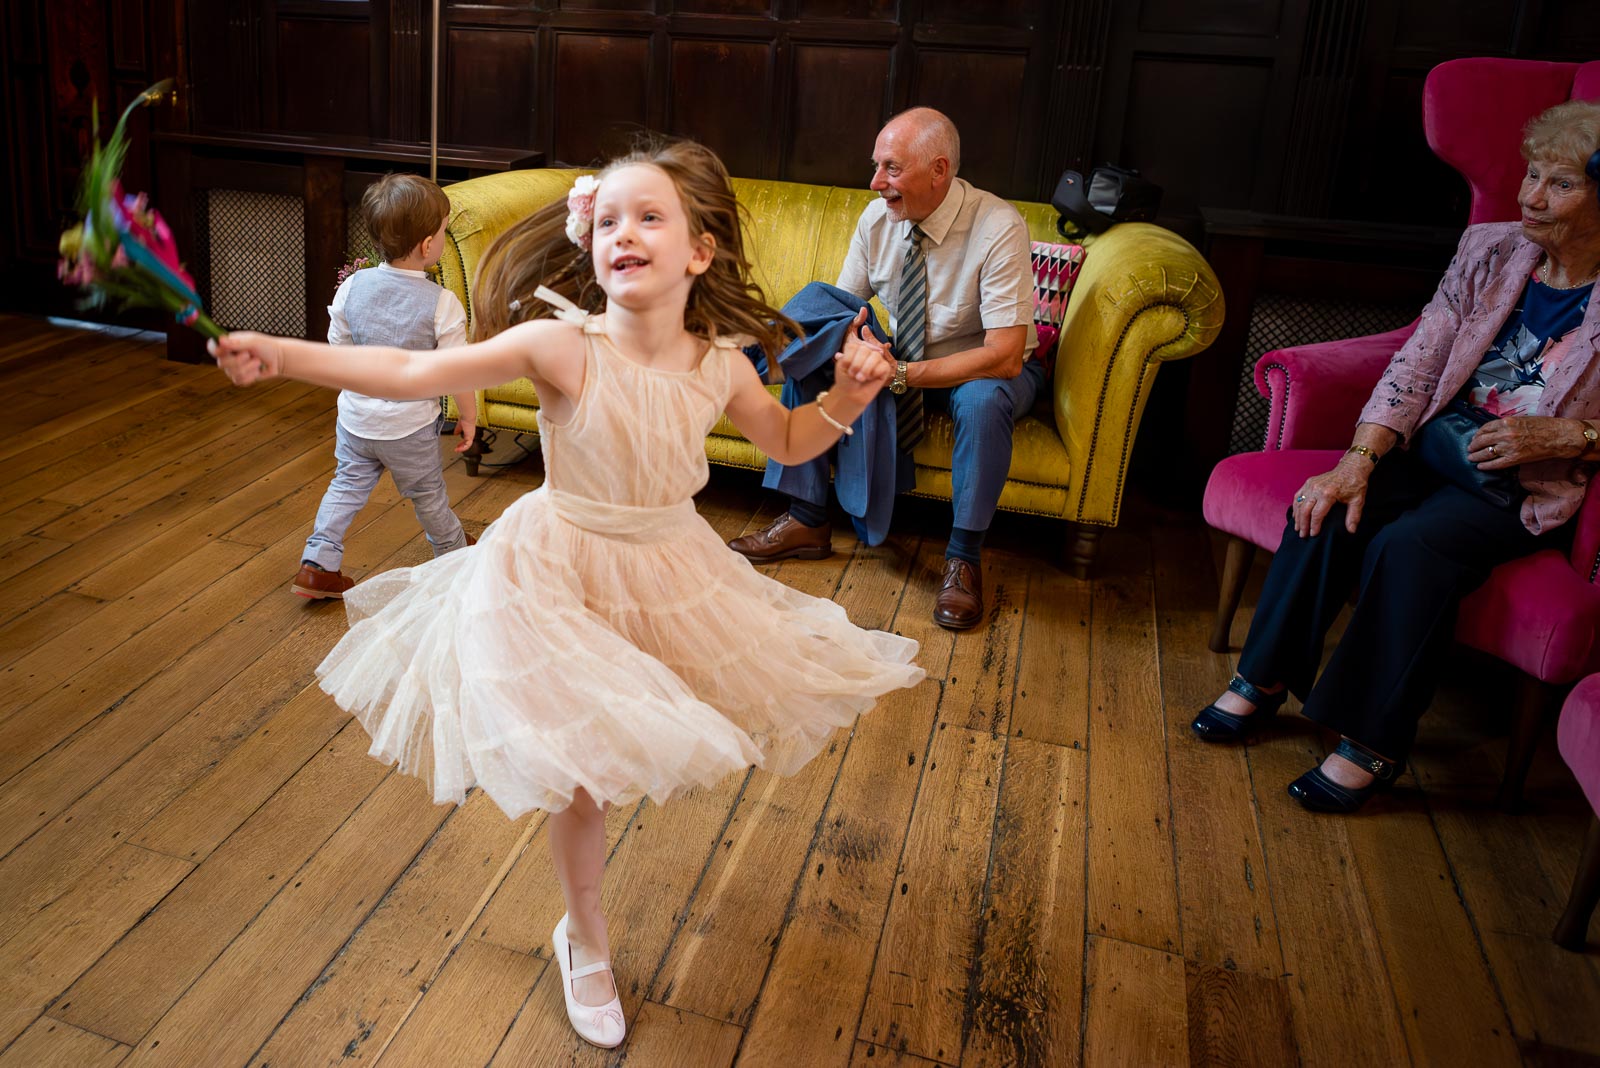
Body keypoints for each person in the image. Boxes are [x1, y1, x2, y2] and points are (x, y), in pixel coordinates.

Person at [211, 140, 924, 1049]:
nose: (624, 233)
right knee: (579, 774)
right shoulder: (560, 345)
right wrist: (284, 354)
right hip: (552, 569)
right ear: (592, 246)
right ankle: (586, 938)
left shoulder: (722, 365)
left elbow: (786, 444)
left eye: (650, 217)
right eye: (611, 220)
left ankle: (581, 928)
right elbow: (411, 374)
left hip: (667, 566)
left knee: (652, 735)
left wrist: (851, 400)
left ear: (699, 252)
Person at [1192, 100, 1600, 813]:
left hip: (1518, 485)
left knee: (1412, 547)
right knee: (1327, 501)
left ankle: (1372, 740)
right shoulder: (1492, 248)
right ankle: (1263, 678)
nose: (1531, 196)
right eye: (1532, 174)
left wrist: (1573, 437)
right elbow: (1420, 358)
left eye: (1560, 184)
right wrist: (1359, 458)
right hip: (1432, 442)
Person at [728, 107, 1042, 631]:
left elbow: (1005, 354)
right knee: (822, 335)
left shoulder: (998, 226)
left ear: (939, 170)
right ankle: (807, 518)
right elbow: (841, 306)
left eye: (891, 170)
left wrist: (898, 374)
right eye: (877, 167)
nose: (876, 183)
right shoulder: (877, 219)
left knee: (983, 399)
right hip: (907, 353)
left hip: (984, 369)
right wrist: (856, 345)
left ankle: (962, 559)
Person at [293, 173, 479, 600]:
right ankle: (452, 555)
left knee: (346, 485)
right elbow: (456, 370)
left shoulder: (351, 286)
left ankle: (318, 564)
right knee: (427, 492)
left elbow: (338, 353)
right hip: (410, 426)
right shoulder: (441, 303)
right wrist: (467, 416)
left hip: (356, 420)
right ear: (426, 246)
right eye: (443, 232)